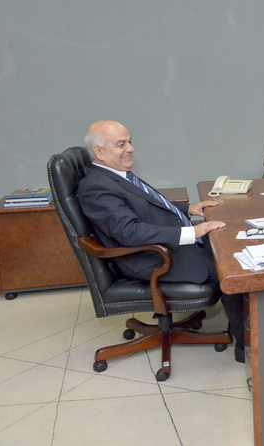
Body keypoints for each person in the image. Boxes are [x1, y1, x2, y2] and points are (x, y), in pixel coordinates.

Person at [77, 121, 246, 363]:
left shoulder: (116, 175)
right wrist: (192, 232)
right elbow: (129, 232)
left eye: (130, 141)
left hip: (163, 247)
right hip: (151, 259)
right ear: (99, 152)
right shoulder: (96, 187)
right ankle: (246, 347)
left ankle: (245, 327)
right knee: (233, 265)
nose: (130, 149)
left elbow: (150, 207)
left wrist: (189, 209)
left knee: (231, 244)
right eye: (121, 144)